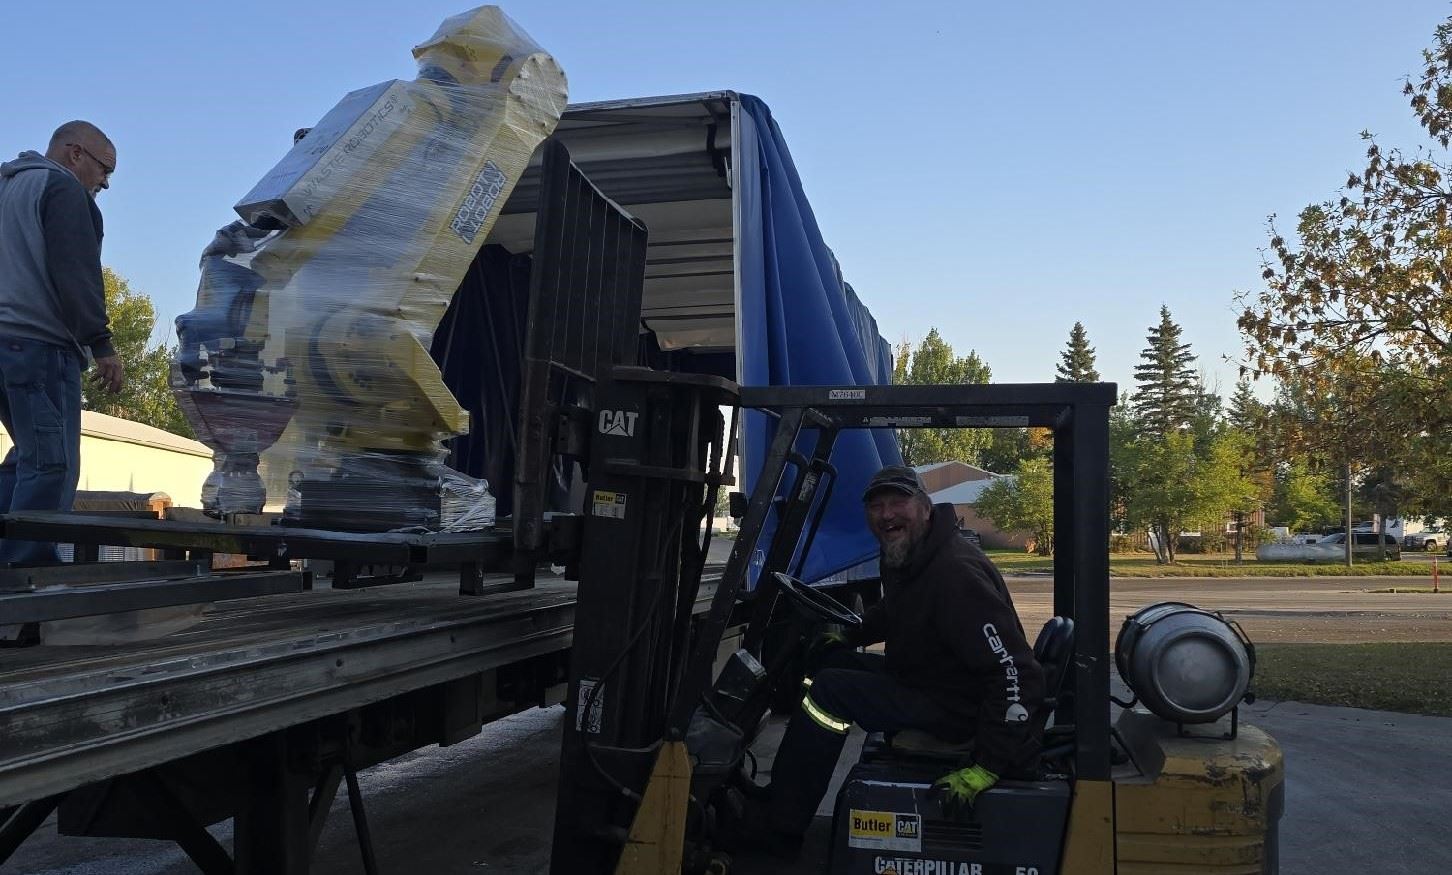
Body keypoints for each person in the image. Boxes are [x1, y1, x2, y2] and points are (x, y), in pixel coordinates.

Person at [757, 464, 1045, 855]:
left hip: (957, 707)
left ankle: (781, 829)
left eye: (898, 502)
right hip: (930, 682)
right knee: (830, 663)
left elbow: (1016, 673)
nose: (886, 514)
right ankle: (784, 793)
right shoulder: (911, 555)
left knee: (829, 690)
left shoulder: (953, 572)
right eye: (877, 506)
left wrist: (988, 766)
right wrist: (849, 632)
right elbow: (894, 612)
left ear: (926, 508)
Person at [0, 120, 124, 565]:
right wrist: (102, 344)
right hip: (39, 345)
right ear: (76, 154)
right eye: (105, 169)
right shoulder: (63, 190)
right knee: (52, 464)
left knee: (26, 459)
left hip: (5, 346)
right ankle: (24, 583)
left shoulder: (9, 186)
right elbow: (75, 271)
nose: (105, 182)